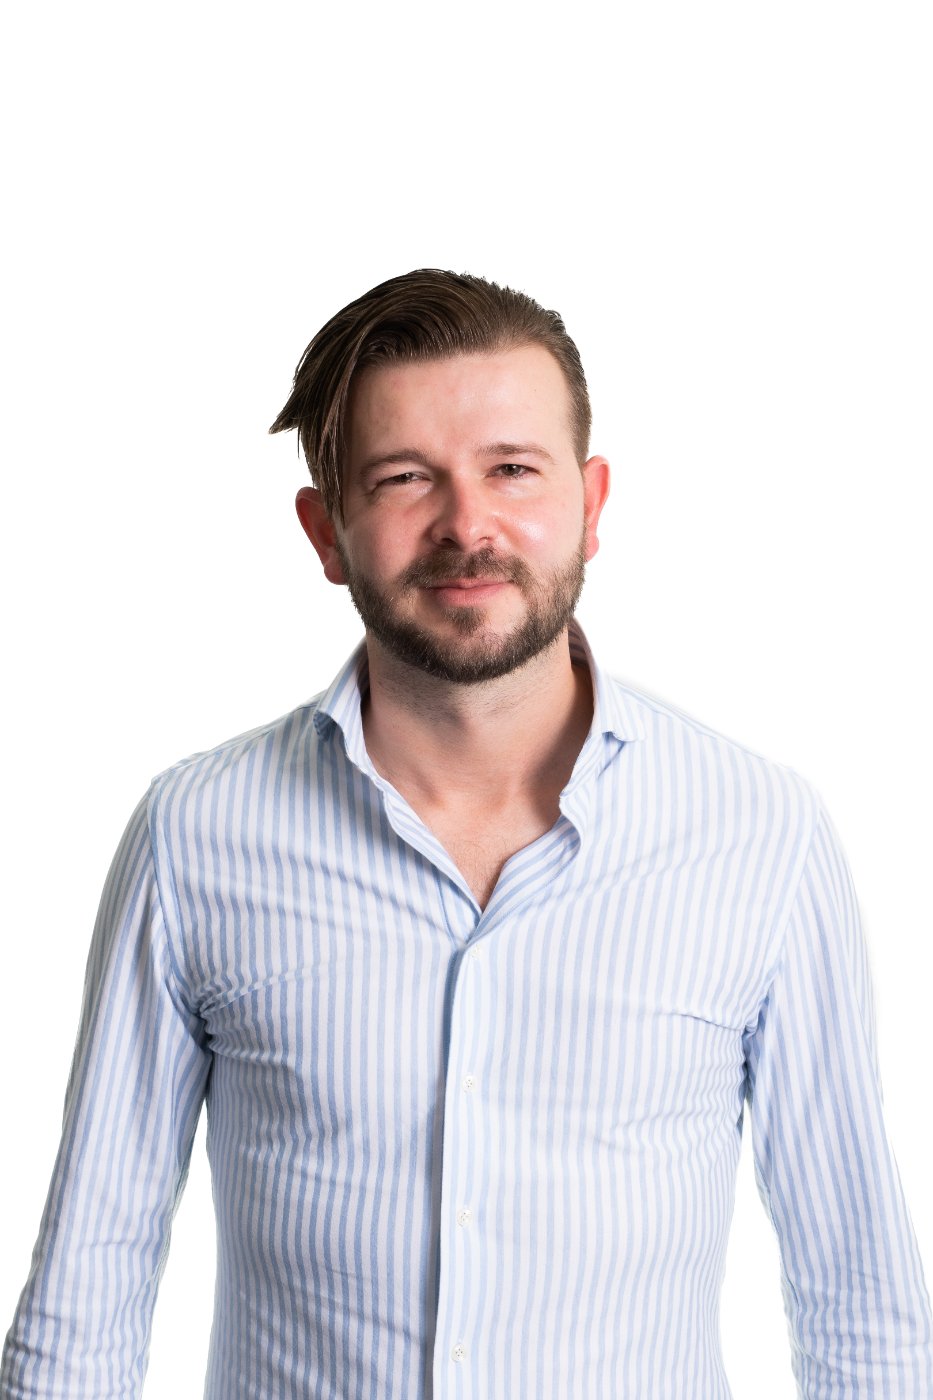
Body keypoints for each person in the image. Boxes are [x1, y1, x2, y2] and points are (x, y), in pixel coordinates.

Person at [2, 269, 931, 1399]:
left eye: (512, 470)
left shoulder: (761, 834)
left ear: (591, 503)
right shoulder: (194, 835)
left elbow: (857, 1297)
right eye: (404, 478)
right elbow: (91, 1280)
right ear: (326, 532)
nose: (467, 526)